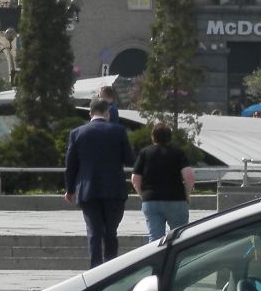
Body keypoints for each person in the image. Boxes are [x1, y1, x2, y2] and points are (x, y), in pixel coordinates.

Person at [64, 98, 135, 267]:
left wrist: (69, 189)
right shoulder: (118, 131)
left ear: (90, 113)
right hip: (114, 190)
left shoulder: (77, 133)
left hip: (88, 190)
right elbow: (130, 159)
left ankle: (95, 269)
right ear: (107, 112)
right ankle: (110, 268)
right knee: (111, 232)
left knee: (94, 232)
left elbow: (70, 165)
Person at [130, 122, 194, 242]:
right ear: (170, 137)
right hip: (176, 199)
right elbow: (189, 176)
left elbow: (135, 179)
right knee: (180, 238)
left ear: (153, 136)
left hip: (151, 200)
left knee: (155, 239)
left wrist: (143, 195)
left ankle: (156, 260)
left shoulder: (145, 153)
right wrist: (187, 194)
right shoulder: (178, 153)